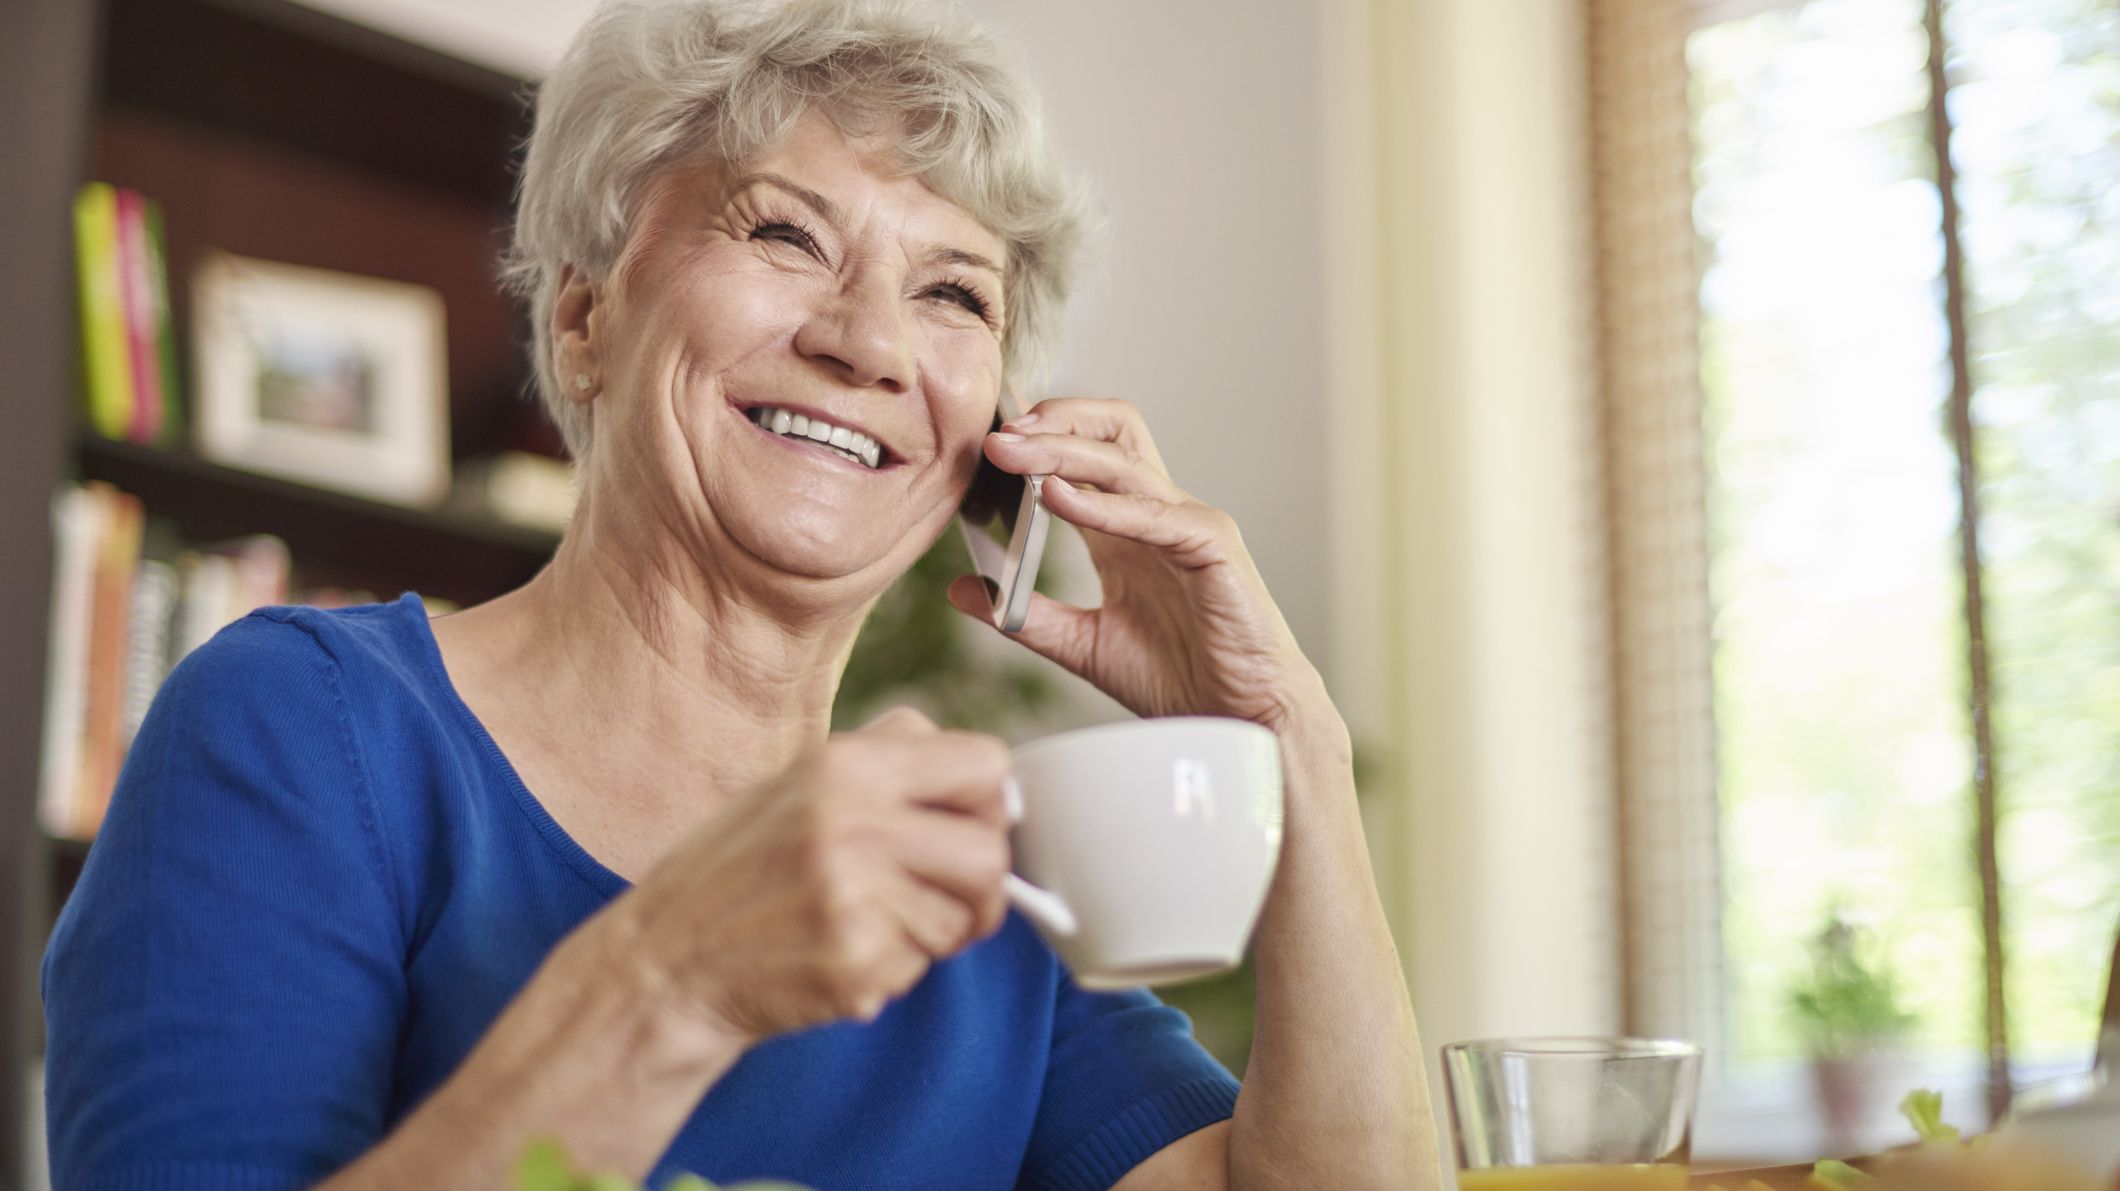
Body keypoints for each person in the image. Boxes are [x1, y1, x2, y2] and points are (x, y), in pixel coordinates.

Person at [41, 1, 1432, 1187]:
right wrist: (667, 981)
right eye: (783, 235)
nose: (870, 341)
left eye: (955, 295)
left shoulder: (988, 895)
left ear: (993, 442)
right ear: (585, 320)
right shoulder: (300, 732)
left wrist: (1285, 735)